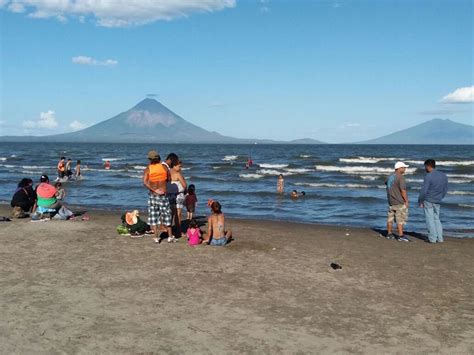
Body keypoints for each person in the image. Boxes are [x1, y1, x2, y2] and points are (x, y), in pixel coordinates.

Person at [143, 150, 176, 243]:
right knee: (167, 215)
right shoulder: (164, 167)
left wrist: (154, 189)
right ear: (159, 158)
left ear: (150, 159)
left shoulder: (148, 169)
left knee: (154, 216)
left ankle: (156, 237)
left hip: (153, 195)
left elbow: (145, 182)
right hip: (163, 195)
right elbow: (169, 179)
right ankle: (170, 237)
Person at [418, 159, 449, 244]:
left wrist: (420, 200)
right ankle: (440, 238)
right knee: (437, 219)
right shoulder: (443, 175)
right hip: (438, 200)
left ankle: (432, 238)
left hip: (429, 199)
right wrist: (441, 197)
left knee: (429, 219)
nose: (425, 168)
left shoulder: (429, 176)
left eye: (425, 166)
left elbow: (424, 190)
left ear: (428, 166)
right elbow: (445, 189)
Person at [385, 162, 410, 242]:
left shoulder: (390, 176)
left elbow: (386, 183)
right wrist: (406, 200)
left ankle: (389, 233)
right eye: (403, 167)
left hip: (391, 200)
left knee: (390, 218)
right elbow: (403, 190)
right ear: (399, 168)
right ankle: (401, 235)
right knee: (400, 219)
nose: (405, 169)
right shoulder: (401, 177)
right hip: (399, 201)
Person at [170, 160, 187, 236]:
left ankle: (169, 229)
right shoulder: (178, 174)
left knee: (172, 213)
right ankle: (178, 230)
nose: (180, 168)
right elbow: (184, 185)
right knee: (178, 213)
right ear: (174, 166)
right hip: (178, 195)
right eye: (179, 166)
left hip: (170, 195)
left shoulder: (168, 173)